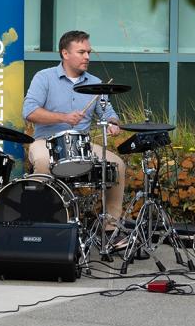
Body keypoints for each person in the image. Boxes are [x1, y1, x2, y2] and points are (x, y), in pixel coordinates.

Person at [23, 30, 125, 238]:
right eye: (81, 52)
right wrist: (64, 118)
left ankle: (110, 230)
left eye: (88, 52)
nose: (87, 56)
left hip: (82, 145)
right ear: (65, 53)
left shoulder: (96, 83)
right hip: (47, 141)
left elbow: (108, 113)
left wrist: (113, 124)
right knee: (42, 161)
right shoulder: (44, 78)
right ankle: (36, 223)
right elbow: (29, 112)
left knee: (118, 165)